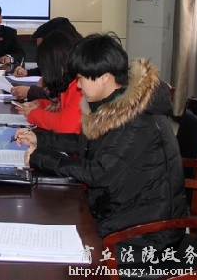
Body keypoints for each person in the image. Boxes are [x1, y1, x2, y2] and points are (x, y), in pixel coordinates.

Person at [15, 33, 186, 251]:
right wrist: (41, 139)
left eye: (81, 78)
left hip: (145, 234)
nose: (78, 86)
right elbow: (85, 143)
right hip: (121, 210)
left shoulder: (135, 120)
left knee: (50, 241)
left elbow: (98, 173)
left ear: (104, 76)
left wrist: (41, 158)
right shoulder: (115, 105)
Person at [14, 31, 82, 133]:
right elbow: (61, 109)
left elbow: (65, 124)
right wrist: (40, 105)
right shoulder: (68, 82)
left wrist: (34, 114)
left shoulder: (78, 86)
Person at [11, 17, 82, 101]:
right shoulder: (70, 59)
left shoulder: (79, 73)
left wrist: (31, 92)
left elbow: (59, 95)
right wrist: (28, 72)